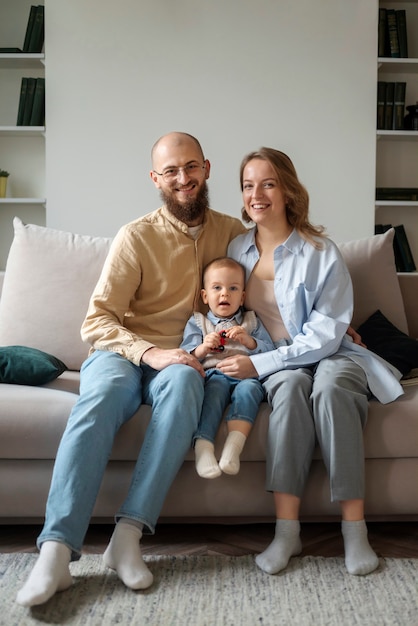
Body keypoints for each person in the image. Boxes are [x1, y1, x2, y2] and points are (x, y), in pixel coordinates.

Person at [16, 132, 247, 607]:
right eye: (170, 171)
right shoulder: (136, 235)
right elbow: (97, 320)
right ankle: (56, 552)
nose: (182, 179)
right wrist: (148, 352)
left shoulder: (234, 234)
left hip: (183, 362)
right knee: (97, 399)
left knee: (186, 380)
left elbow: (270, 291)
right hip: (123, 355)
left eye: (190, 167)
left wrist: (335, 327)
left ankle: (128, 537)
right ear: (155, 179)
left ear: (206, 167)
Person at [219, 147, 404, 576]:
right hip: (276, 363)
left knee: (332, 386)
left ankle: (354, 529)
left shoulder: (321, 251)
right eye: (248, 185)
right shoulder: (236, 248)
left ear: (287, 190)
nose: (256, 194)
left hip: (330, 353)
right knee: (288, 388)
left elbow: (325, 335)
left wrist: (260, 365)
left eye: (267, 183)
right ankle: (287, 531)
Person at [181, 256, 274, 479]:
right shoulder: (198, 322)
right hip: (214, 374)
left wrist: (249, 341)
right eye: (217, 288)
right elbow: (186, 355)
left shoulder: (251, 321)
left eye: (233, 288)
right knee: (214, 391)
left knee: (251, 391)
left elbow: (270, 351)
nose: (225, 294)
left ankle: (234, 446)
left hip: (247, 377)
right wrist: (204, 347)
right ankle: (204, 447)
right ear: (205, 296)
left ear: (242, 297)